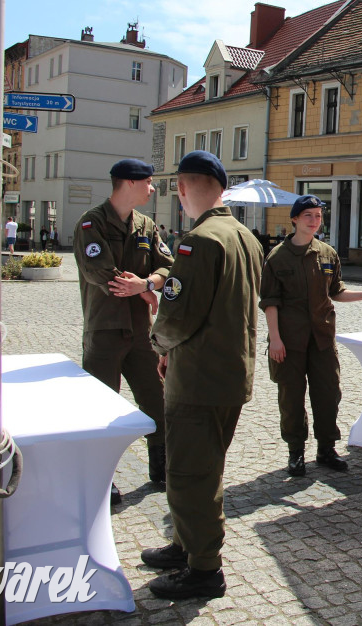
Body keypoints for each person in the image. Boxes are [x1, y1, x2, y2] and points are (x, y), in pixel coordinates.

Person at [141, 150, 264, 600]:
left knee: (193, 474)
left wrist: (158, 346)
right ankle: (185, 545)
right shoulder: (244, 236)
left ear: (182, 187)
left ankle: (204, 570)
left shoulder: (199, 241)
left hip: (198, 380)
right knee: (203, 466)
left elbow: (177, 315)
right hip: (229, 375)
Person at [72, 159, 173, 506]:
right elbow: (98, 271)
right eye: (148, 182)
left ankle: (161, 468)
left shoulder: (145, 225)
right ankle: (103, 476)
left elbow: (168, 265)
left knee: (156, 401)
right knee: (100, 408)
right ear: (129, 183)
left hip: (141, 331)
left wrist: (147, 284)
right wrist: (139, 288)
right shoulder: (91, 223)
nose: (152, 188)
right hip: (105, 330)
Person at [260, 195, 362, 478]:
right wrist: (274, 339)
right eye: (308, 216)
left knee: (328, 395)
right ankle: (296, 452)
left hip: (322, 340)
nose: (314, 221)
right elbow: (270, 302)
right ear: (295, 219)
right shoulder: (277, 257)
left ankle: (326, 449)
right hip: (289, 342)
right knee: (291, 397)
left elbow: (335, 291)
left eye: (318, 216)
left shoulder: (327, 253)